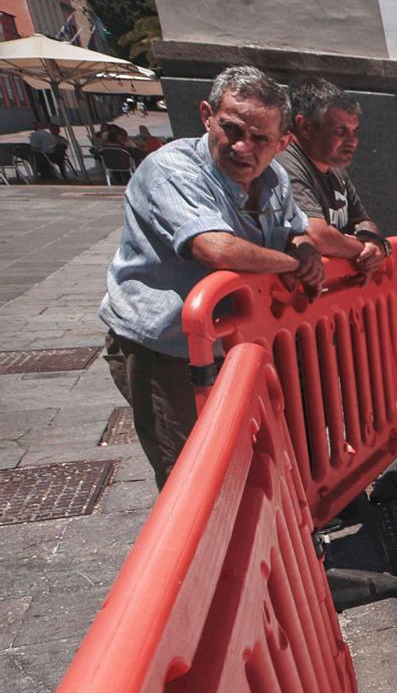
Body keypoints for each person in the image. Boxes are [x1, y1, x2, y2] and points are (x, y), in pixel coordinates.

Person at [98, 65, 325, 486]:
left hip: (237, 347)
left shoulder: (274, 176)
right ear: (206, 115)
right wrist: (295, 264)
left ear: (282, 143)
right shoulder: (170, 168)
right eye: (231, 129)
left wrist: (303, 247)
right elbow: (214, 248)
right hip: (166, 351)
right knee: (192, 477)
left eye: (260, 139)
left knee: (249, 463)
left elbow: (296, 231)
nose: (242, 147)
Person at [276, 78, 388, 275]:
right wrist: (367, 250)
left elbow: (361, 219)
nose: (352, 141)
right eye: (340, 131)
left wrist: (370, 238)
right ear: (306, 127)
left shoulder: (334, 167)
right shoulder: (284, 164)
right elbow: (319, 236)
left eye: (354, 131)